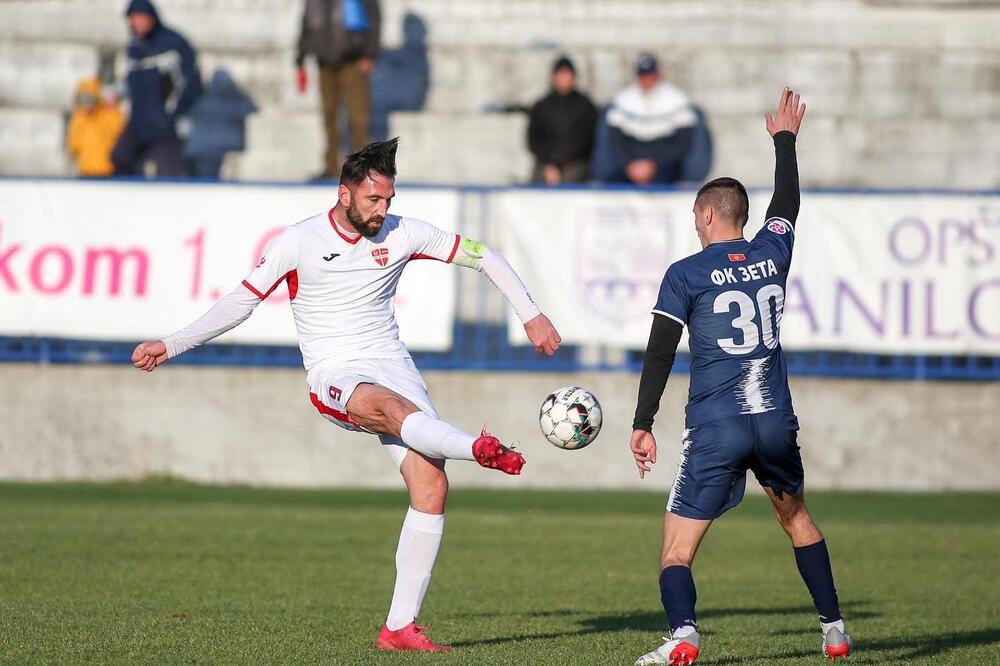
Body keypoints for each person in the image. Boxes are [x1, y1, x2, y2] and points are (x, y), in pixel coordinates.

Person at [131, 138, 561, 653]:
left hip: (394, 364)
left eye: (389, 200)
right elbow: (241, 303)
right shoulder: (298, 240)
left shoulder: (403, 233)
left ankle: (399, 628)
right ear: (345, 193)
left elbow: (482, 255)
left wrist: (531, 313)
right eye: (373, 200)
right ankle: (480, 448)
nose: (383, 211)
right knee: (392, 411)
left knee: (431, 487)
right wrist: (171, 344)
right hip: (335, 373)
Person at [629, 89, 851, 664]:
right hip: (775, 421)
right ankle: (833, 629)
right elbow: (789, 202)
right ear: (742, 218)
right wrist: (785, 141)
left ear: (706, 216)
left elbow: (659, 352)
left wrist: (643, 421)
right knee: (797, 517)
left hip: (716, 425)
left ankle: (683, 635)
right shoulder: (772, 253)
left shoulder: (686, 273)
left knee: (676, 551)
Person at [112, 0, 202, 177]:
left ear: (151, 18)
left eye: (139, 18)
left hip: (167, 126)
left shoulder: (174, 43)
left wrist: (174, 113)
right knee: (120, 158)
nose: (136, 23)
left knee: (168, 175)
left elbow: (191, 83)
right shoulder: (135, 47)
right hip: (139, 122)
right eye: (132, 19)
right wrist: (118, 94)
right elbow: (130, 79)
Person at [296, 0, 381, 179]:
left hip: (353, 61)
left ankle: (360, 168)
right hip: (324, 62)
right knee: (329, 115)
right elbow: (307, 24)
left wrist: (370, 53)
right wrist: (301, 58)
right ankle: (330, 166)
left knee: (357, 115)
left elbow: (373, 17)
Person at [592, 53, 704, 186]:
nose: (646, 80)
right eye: (643, 76)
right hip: (630, 166)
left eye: (650, 76)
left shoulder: (676, 100)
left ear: (657, 75)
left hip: (664, 166)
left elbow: (682, 143)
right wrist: (630, 165)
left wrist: (653, 165)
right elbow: (614, 142)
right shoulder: (624, 100)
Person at [527, 55, 598, 185]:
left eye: (567, 74)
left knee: (571, 181)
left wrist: (565, 161)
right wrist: (549, 164)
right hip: (546, 163)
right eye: (560, 74)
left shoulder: (586, 106)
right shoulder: (541, 106)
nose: (563, 78)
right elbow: (533, 140)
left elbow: (589, 140)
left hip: (576, 163)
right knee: (537, 181)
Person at [182, 69, 257, 179]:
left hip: (200, 148)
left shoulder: (203, 97)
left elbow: (188, 115)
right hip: (223, 147)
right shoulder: (236, 97)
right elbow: (252, 108)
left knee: (201, 181)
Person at [67, 77, 125, 177]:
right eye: (83, 98)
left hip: (108, 172)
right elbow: (73, 147)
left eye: (89, 98)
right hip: (85, 171)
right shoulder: (78, 119)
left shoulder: (109, 114)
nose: (86, 103)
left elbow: (118, 134)